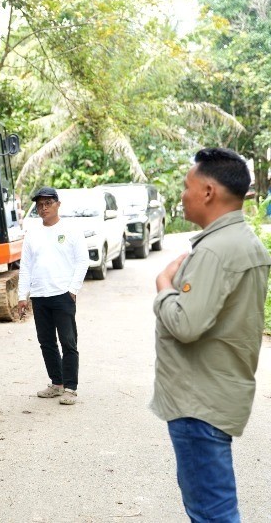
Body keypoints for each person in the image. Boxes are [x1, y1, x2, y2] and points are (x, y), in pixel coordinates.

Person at [151, 147, 271, 522]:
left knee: (212, 512)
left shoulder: (217, 250)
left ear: (207, 192)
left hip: (198, 402)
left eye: (186, 187)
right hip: (212, 395)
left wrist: (164, 285)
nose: (181, 196)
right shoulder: (239, 240)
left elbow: (186, 325)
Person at [17, 187, 89, 405]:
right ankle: (56, 384)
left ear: (58, 204)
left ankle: (70, 388)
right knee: (46, 342)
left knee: (68, 342)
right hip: (40, 296)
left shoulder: (71, 230)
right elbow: (26, 267)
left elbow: (82, 261)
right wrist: (23, 295)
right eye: (39, 205)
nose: (43, 208)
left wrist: (73, 289)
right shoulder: (33, 234)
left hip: (62, 295)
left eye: (48, 203)